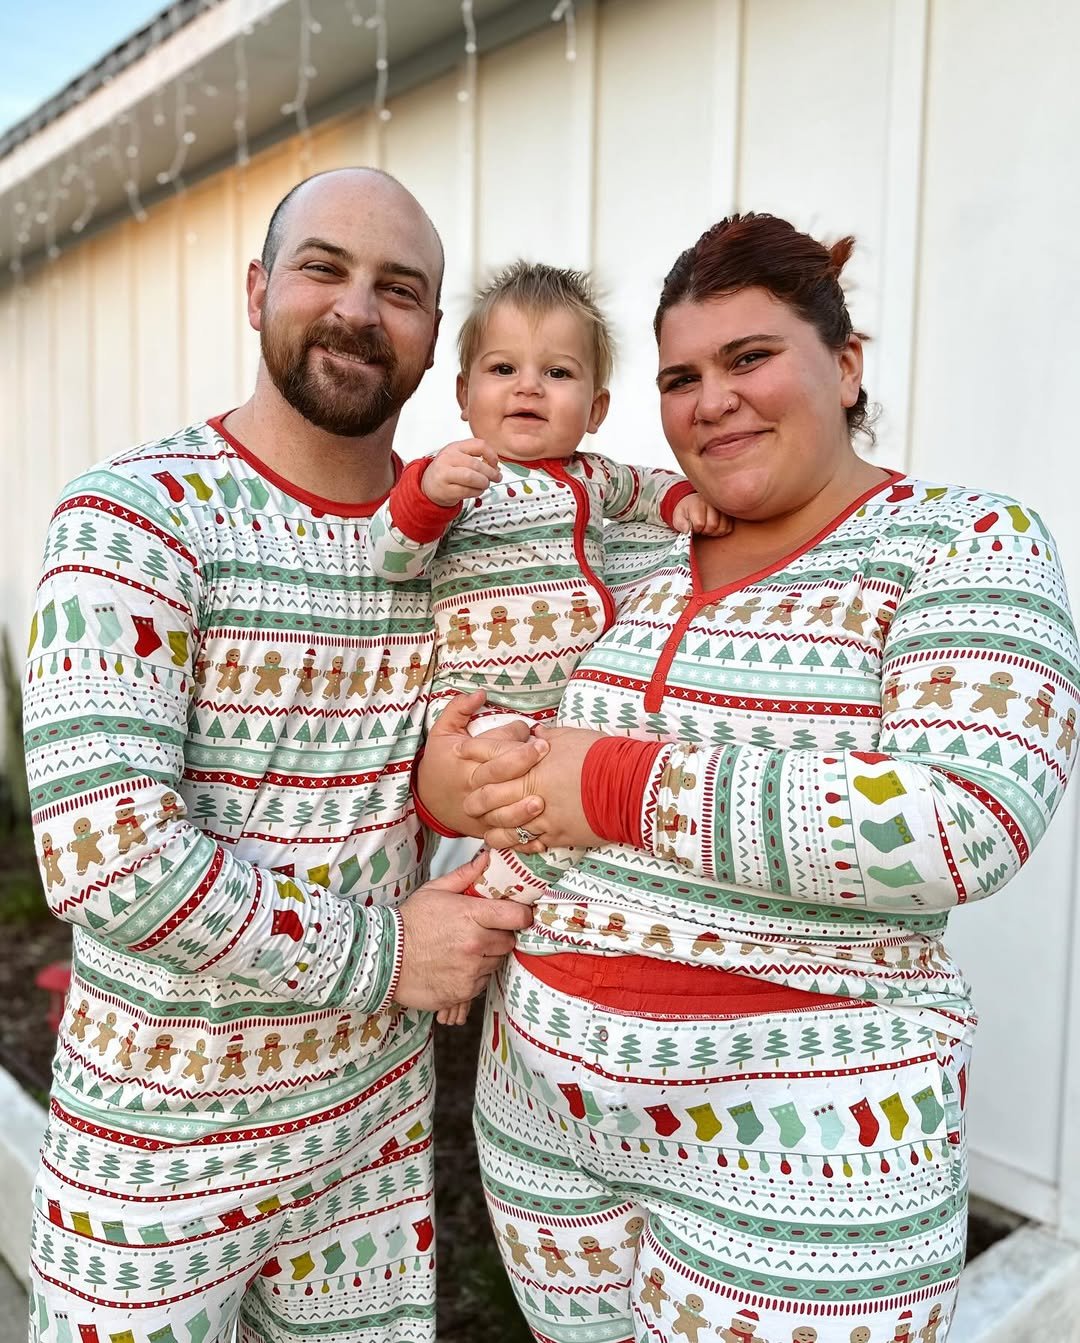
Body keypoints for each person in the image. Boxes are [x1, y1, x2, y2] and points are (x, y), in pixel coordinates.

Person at [418, 213, 1080, 1342]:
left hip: (807, 1150)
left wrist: (615, 786)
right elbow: (515, 726)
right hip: (544, 1124)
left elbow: (964, 819)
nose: (712, 400)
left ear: (846, 364)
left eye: (750, 357)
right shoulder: (630, 554)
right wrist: (452, 784)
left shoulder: (963, 541)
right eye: (682, 377)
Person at [22, 167, 531, 1343]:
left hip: (368, 1143)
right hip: (152, 1159)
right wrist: (390, 952)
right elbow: (109, 861)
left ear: (433, 335)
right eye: (323, 268)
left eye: (398, 287)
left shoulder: (466, 546)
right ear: (257, 292)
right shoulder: (136, 518)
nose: (357, 308)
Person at [366, 261, 725, 1023]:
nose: (528, 387)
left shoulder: (593, 477)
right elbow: (392, 553)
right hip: (484, 704)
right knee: (524, 812)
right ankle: (475, 924)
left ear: (594, 408)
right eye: (503, 369)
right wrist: (426, 497)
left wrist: (684, 502)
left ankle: (488, 917)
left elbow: (649, 488)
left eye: (556, 372)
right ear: (464, 393)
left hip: (570, 707)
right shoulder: (459, 476)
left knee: (559, 824)